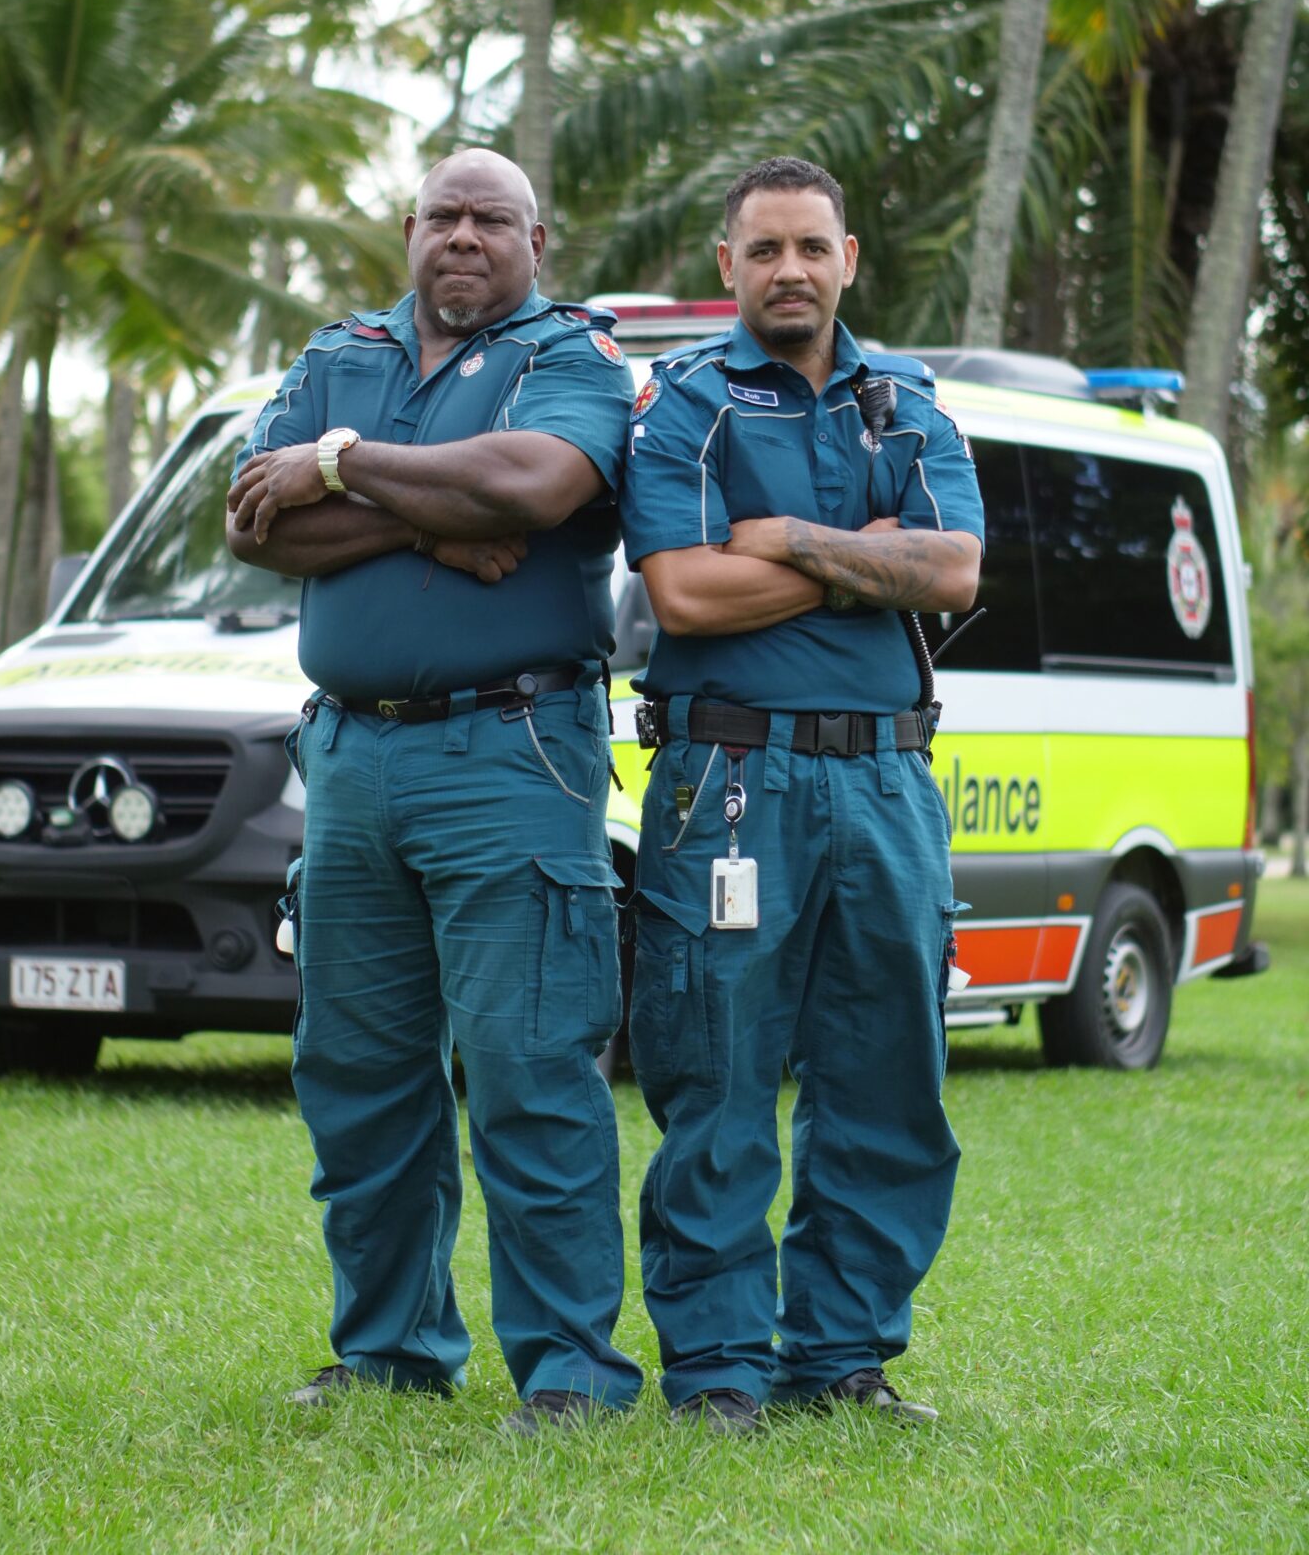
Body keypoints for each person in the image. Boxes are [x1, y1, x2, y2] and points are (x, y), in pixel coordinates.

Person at [225, 147, 642, 1434]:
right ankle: (393, 1350)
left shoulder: (572, 360)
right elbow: (252, 521)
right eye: (444, 216)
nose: (465, 237)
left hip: (510, 753)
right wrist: (420, 514)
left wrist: (336, 471)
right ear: (410, 229)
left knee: (527, 1063)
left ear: (535, 238)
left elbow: (535, 484)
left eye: (492, 219)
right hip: (349, 758)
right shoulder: (337, 355)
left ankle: (569, 1373)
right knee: (357, 1066)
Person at [618, 155, 983, 1434]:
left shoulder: (908, 402)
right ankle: (718, 1370)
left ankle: (843, 1358)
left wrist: (783, 543)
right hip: (728, 774)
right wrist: (864, 560)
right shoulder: (685, 409)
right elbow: (686, 594)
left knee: (890, 1072)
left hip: (888, 778)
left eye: (810, 248)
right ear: (727, 266)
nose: (789, 271)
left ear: (848, 259)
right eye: (763, 249)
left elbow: (952, 572)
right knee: (716, 1072)